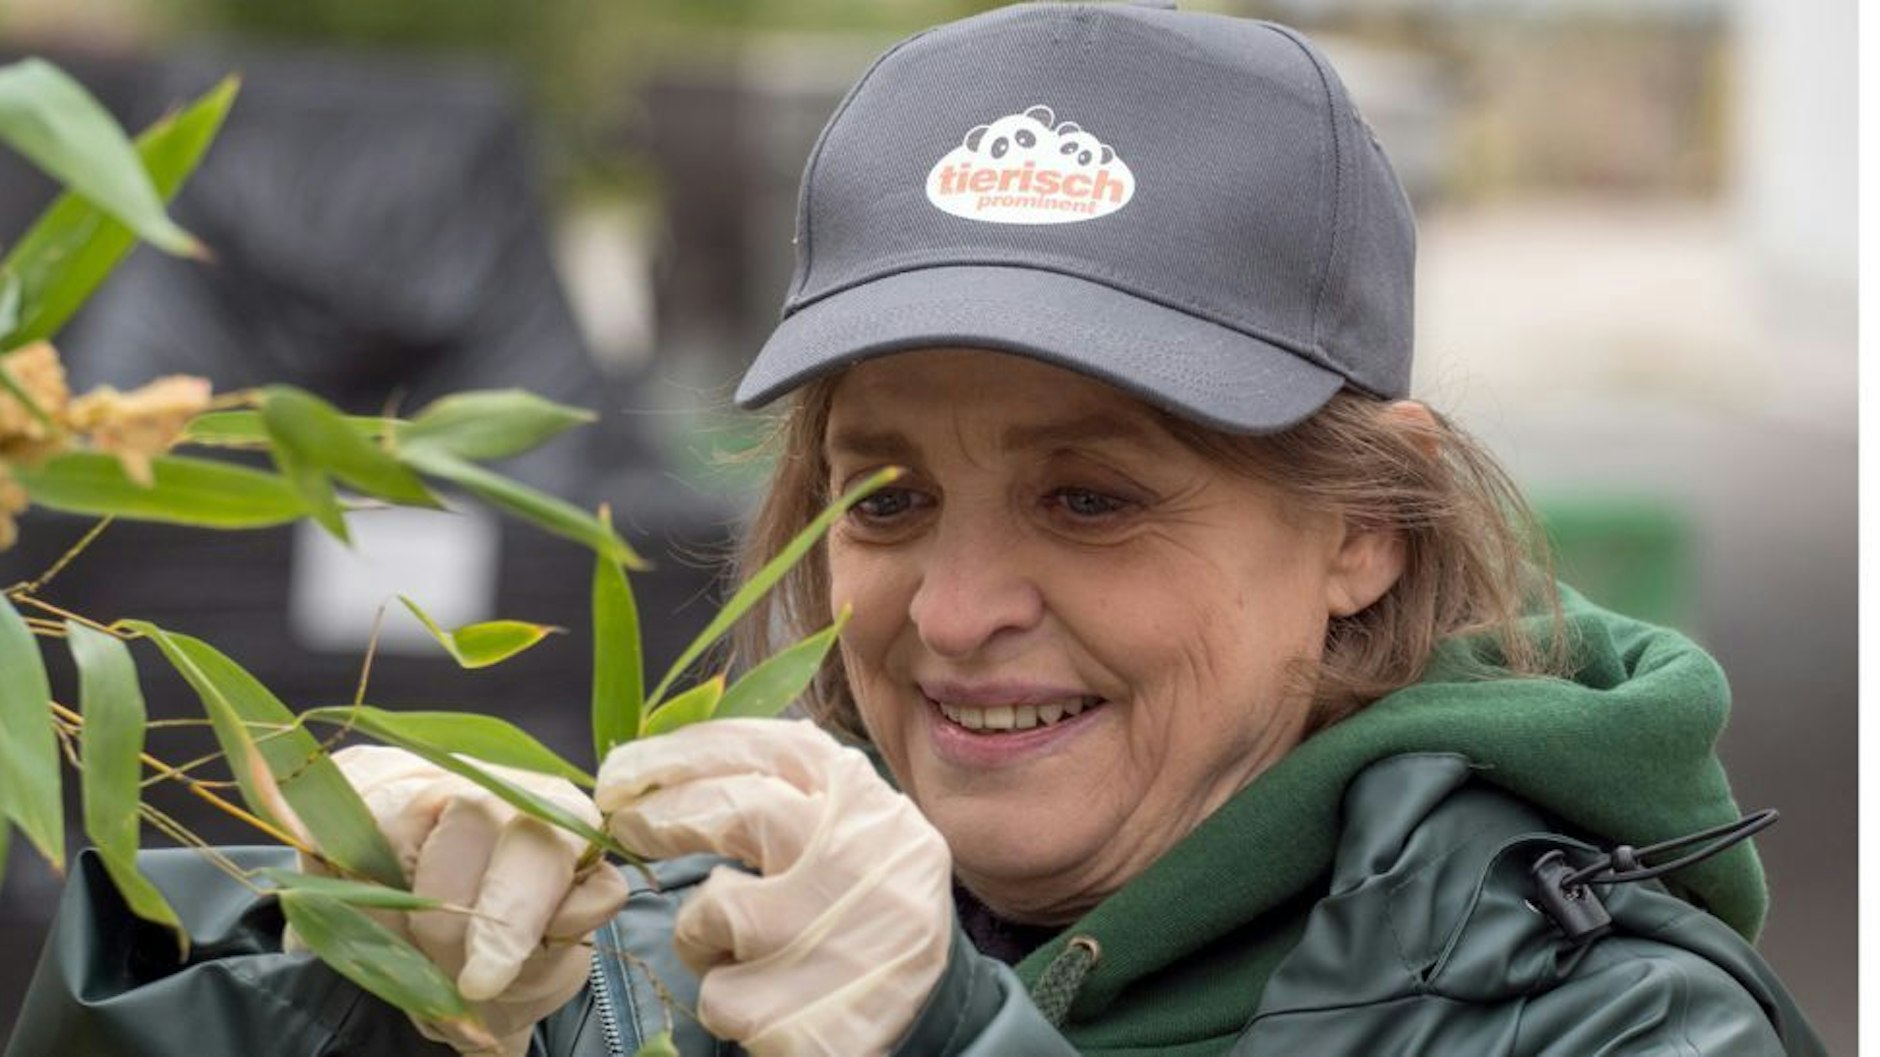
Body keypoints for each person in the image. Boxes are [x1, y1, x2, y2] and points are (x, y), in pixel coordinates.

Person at [7, 3, 1829, 1056]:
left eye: (1092, 495)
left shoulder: (1606, 1024)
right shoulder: (670, 948)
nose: (951, 612)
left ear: (1365, 528)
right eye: (884, 493)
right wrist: (322, 977)